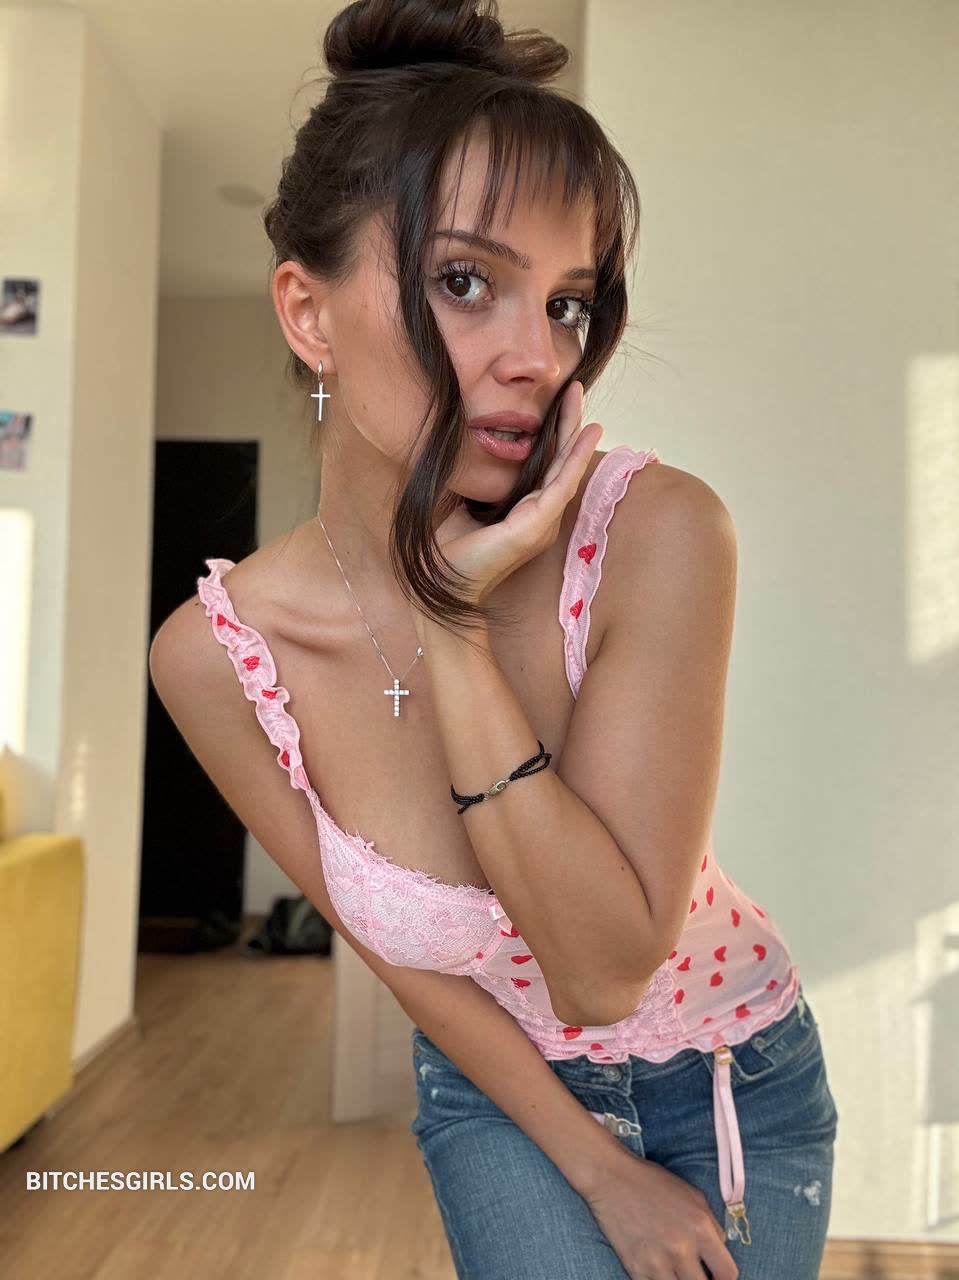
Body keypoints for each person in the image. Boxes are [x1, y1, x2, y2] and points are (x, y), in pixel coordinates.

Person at [149, 2, 839, 1277]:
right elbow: (396, 955)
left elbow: (603, 966)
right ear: (307, 310)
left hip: (726, 1074)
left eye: (567, 303)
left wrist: (449, 626)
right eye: (465, 282)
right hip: (495, 1086)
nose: (535, 355)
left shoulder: (655, 531)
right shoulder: (212, 657)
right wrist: (594, 1167)